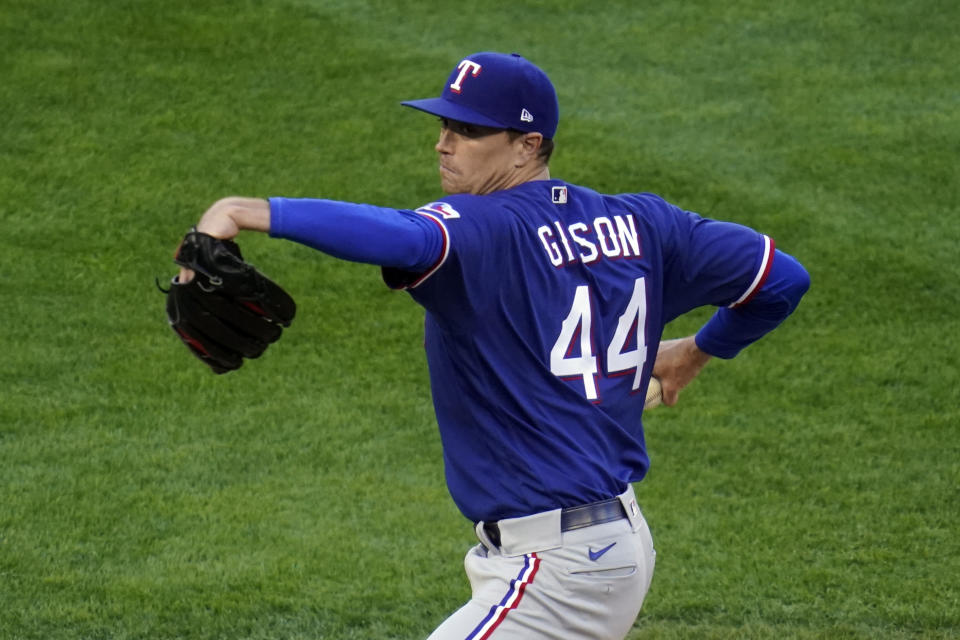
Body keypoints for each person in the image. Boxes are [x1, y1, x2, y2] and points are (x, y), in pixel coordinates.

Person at [177, 52, 810, 639]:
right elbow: (780, 280)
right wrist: (696, 351)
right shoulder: (647, 222)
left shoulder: (481, 230)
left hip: (562, 569)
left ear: (528, 145)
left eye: (469, 131)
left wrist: (245, 212)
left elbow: (400, 237)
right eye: (445, 125)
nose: (443, 144)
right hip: (598, 543)